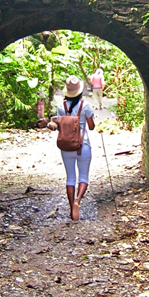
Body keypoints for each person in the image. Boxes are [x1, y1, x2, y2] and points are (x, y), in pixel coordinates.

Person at [47, 76, 96, 221]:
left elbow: (60, 126)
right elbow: (92, 127)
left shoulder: (62, 107)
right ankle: (77, 201)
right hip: (83, 145)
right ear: (80, 92)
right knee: (83, 177)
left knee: (70, 178)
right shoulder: (85, 106)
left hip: (66, 146)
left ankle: (70, 209)